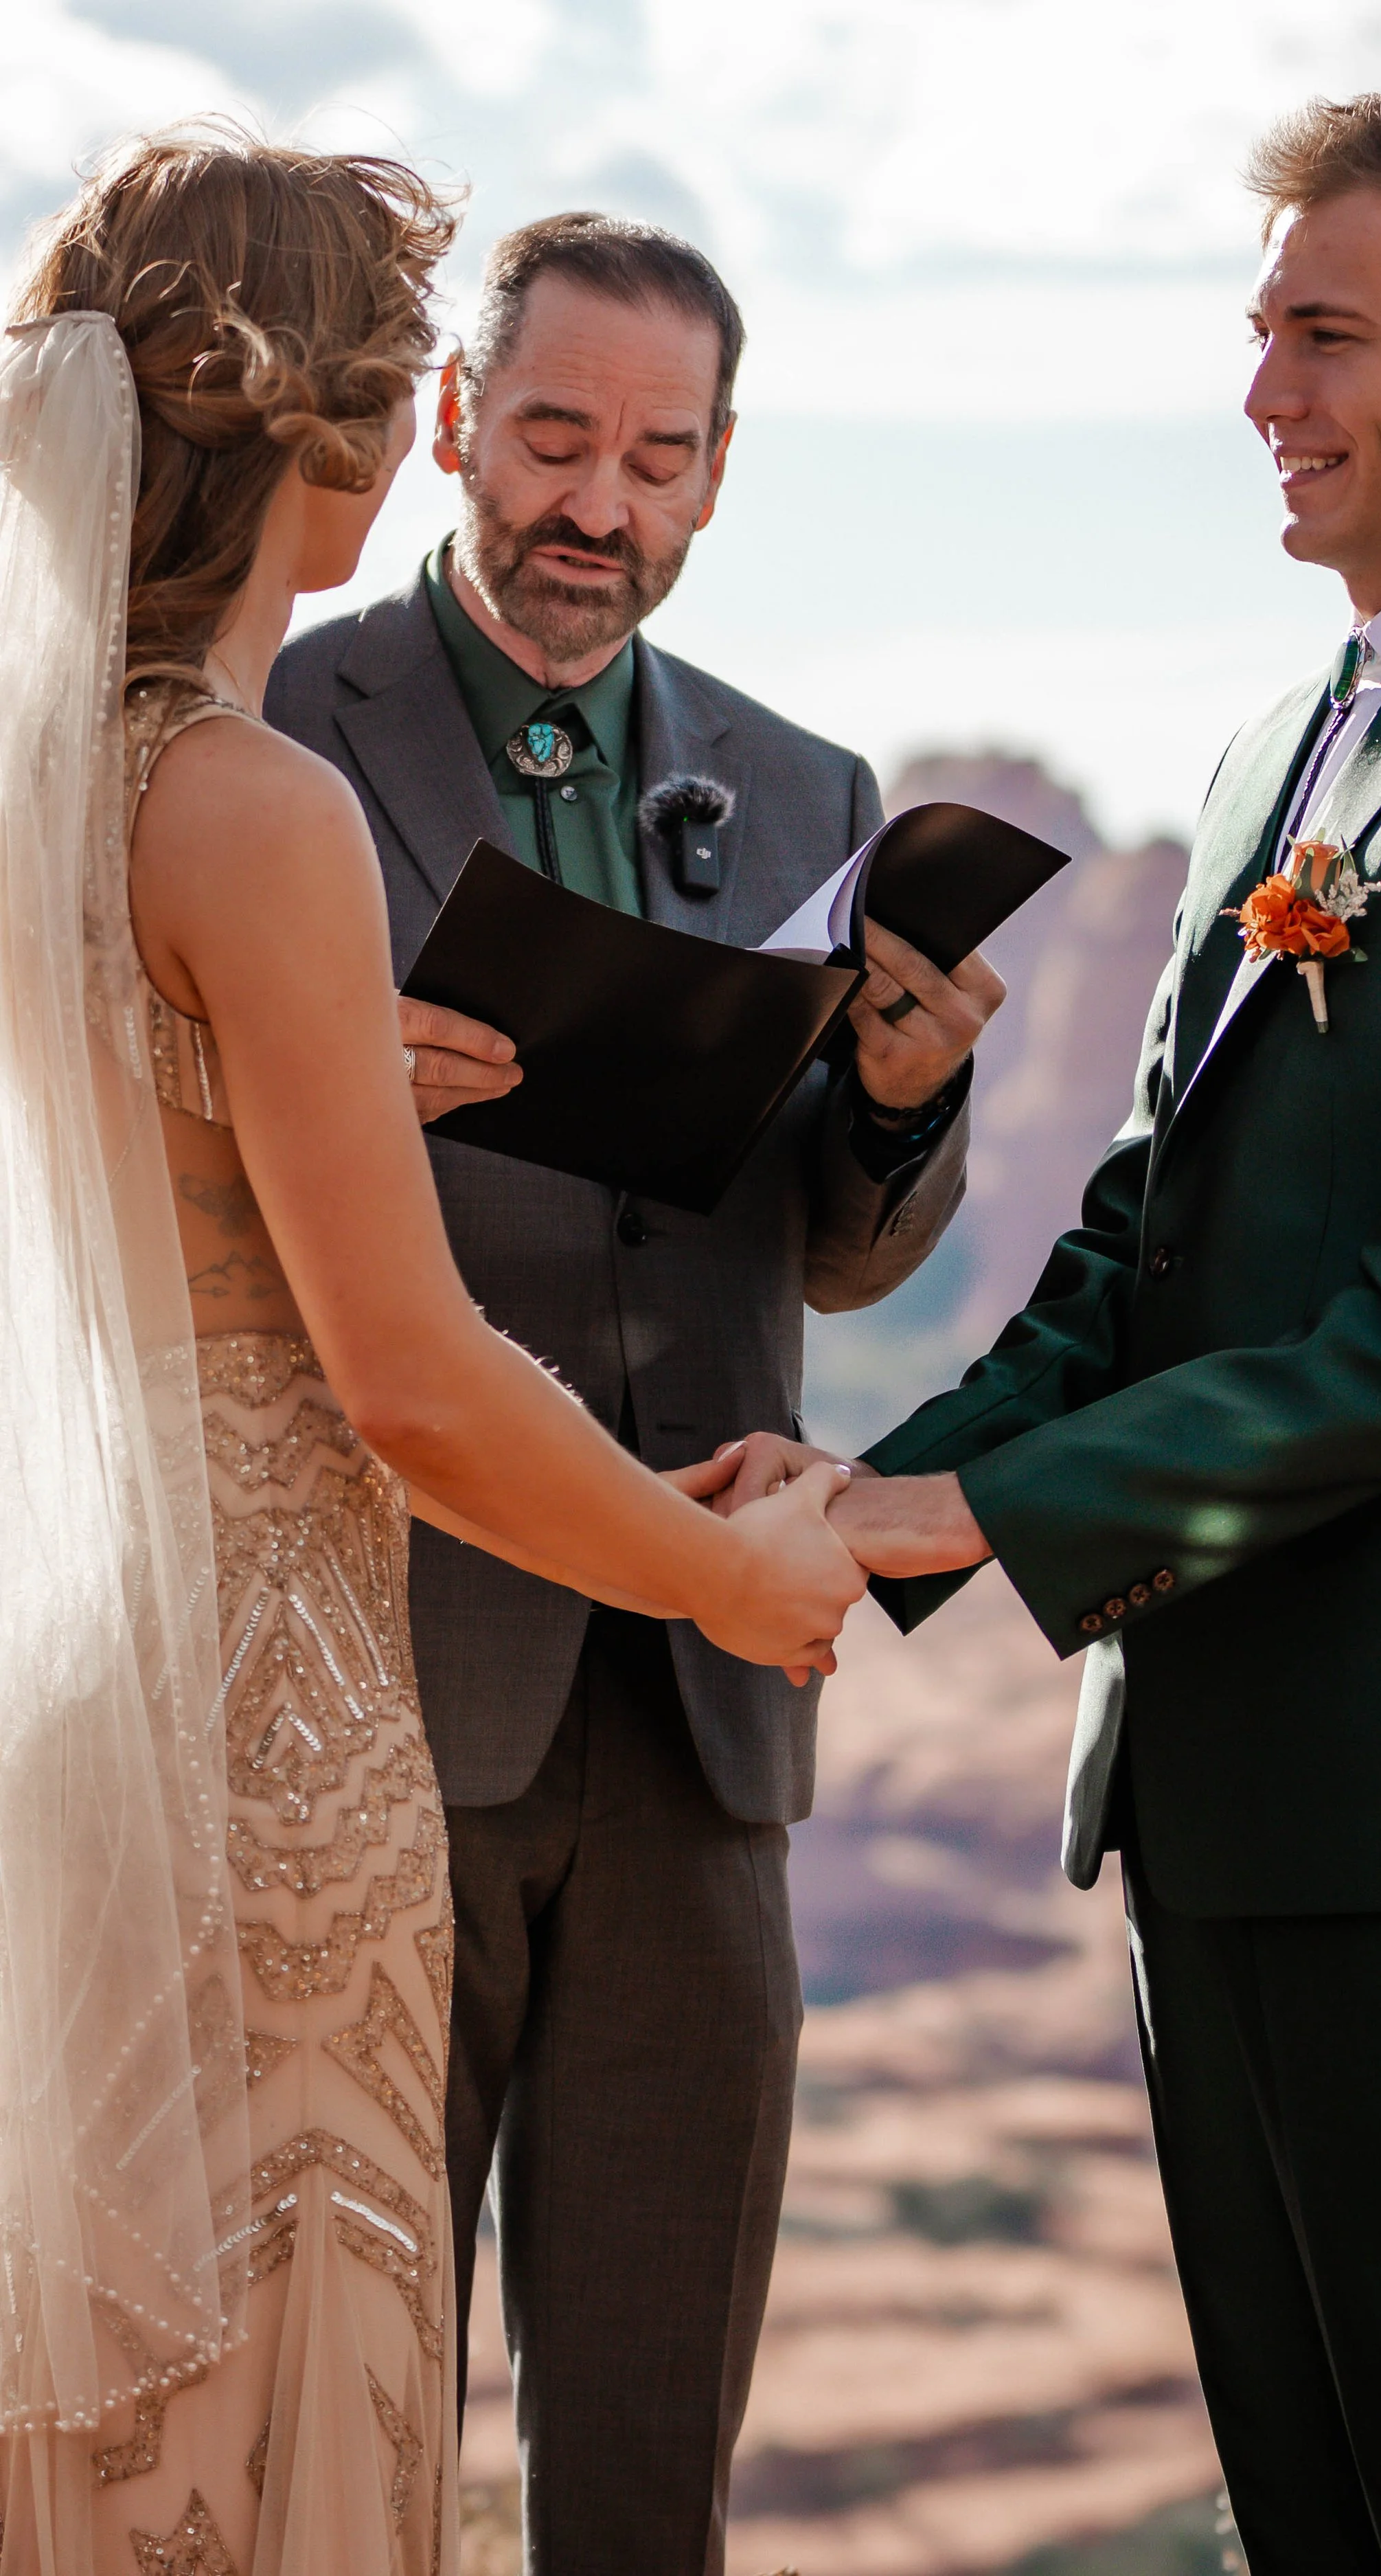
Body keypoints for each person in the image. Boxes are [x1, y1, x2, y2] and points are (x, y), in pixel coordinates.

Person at [724, 93, 1381, 2574]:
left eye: (1319, 331)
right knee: (1307, 2502)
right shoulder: (1282, 740)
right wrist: (864, 1498)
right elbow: (1137, 1240)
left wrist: (969, 1508)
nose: (1259, 389)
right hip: (1215, 1780)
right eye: (1255, 328)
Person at [0, 131, 863, 2575]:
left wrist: (298, 1078)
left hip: (83, 1680)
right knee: (291, 2408)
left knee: (113, 2400)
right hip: (294, 1718)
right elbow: (403, 1377)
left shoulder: (43, 771)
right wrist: (724, 1581)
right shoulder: (256, 797)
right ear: (376, 432)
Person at [266, 212, 1001, 2571]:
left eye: (655, 458)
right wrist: (286, 1078)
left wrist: (892, 1092)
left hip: (698, 1714)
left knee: (649, 2452)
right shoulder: (266, 734)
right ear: (461, 426)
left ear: (713, 481)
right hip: (372, 1689)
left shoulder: (808, 791)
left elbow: (844, 1241)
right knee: (331, 2418)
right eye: (556, 437)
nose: (599, 504)